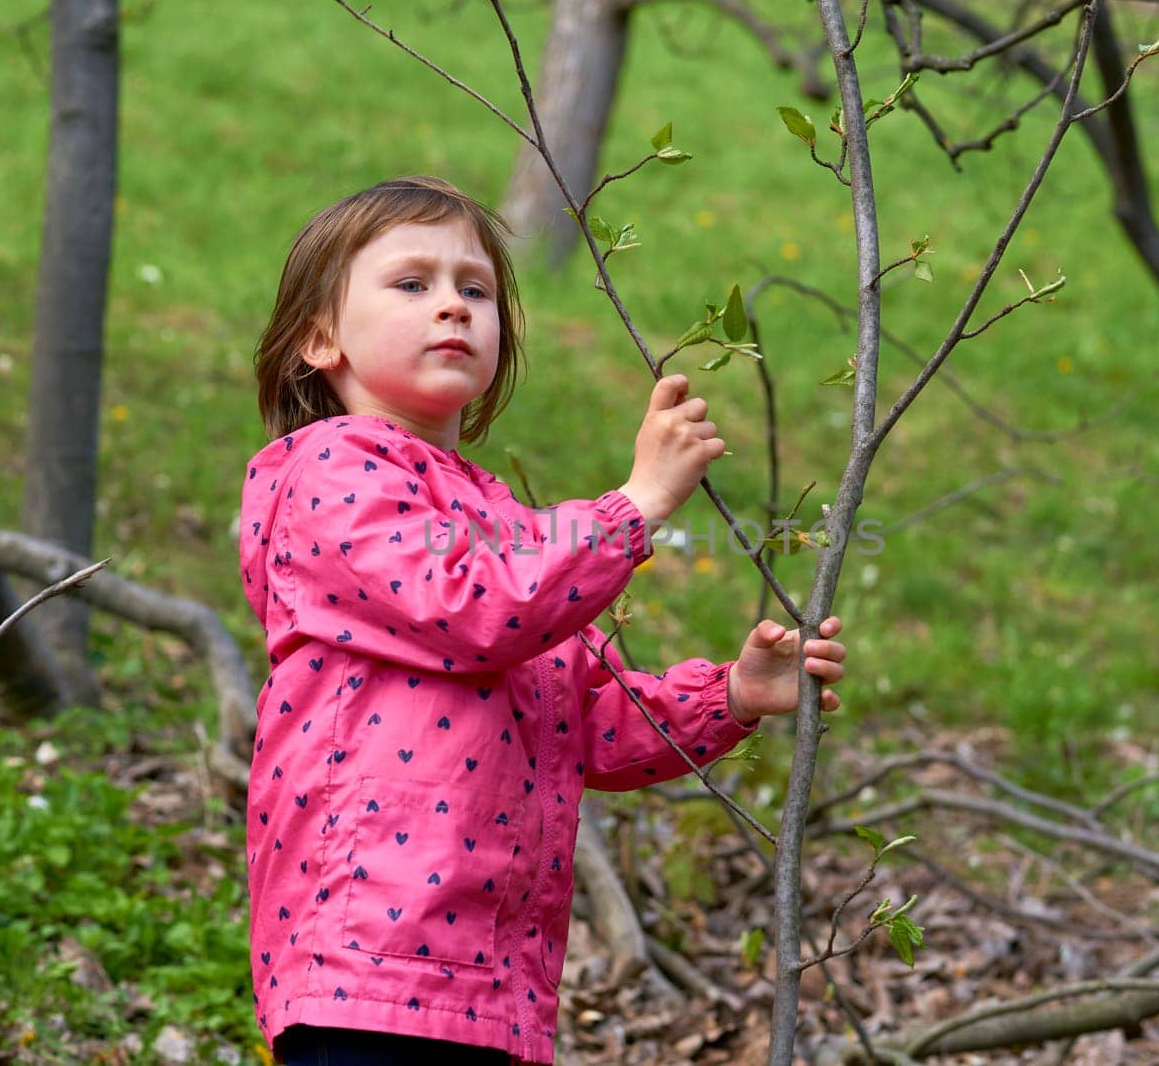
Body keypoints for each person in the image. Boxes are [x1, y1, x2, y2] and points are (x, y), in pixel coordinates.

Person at [238, 175, 848, 1066]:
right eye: (412, 284)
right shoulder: (331, 472)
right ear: (319, 338)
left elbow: (586, 723)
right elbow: (477, 609)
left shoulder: (501, 523)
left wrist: (732, 696)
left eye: (474, 288)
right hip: (369, 960)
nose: (451, 305)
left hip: (489, 976)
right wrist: (635, 504)